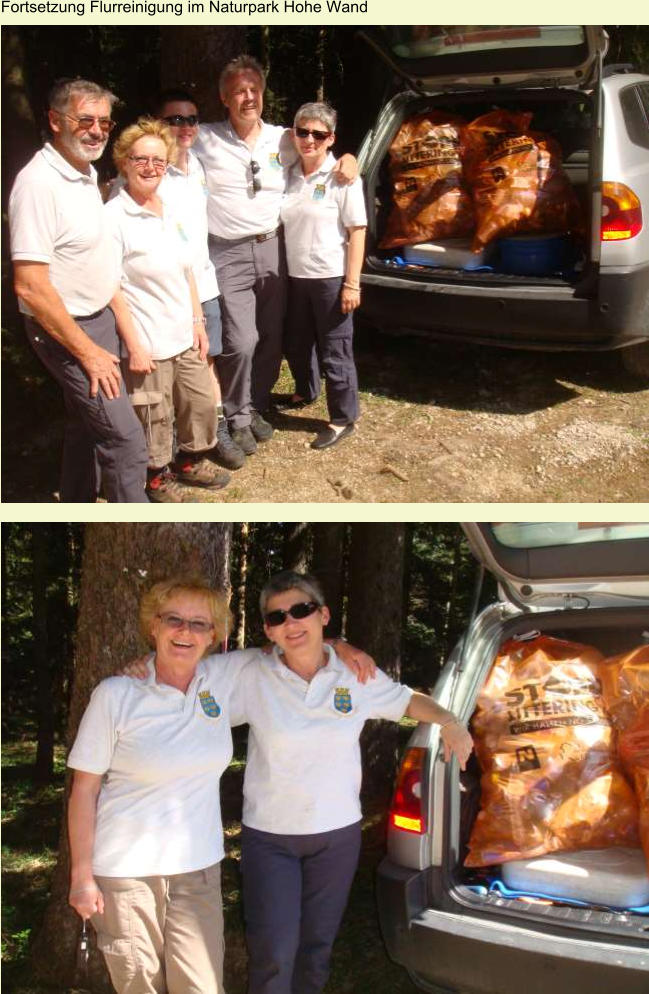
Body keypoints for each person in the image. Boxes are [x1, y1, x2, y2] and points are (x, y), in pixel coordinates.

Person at [67, 573, 373, 994]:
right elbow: (84, 789)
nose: (185, 632)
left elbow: (294, 643)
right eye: (173, 619)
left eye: (199, 623)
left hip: (199, 871)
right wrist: (82, 875)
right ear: (152, 626)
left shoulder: (225, 679)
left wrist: (340, 645)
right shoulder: (116, 694)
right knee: (141, 987)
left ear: (214, 636)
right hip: (126, 874)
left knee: (203, 987)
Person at [231, 571, 473, 994]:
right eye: (277, 617)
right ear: (268, 630)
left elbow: (405, 699)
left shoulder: (354, 675)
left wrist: (450, 720)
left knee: (317, 946)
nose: (291, 623)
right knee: (274, 949)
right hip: (270, 837)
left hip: (337, 837)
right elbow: (186, 668)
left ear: (323, 614)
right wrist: (141, 666)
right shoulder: (249, 673)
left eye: (301, 610)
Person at [194, 55, 357, 457]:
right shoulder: (204, 138)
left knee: (270, 335)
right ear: (224, 97)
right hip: (227, 250)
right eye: (239, 91)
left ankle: (255, 406)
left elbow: (323, 150)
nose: (248, 97)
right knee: (241, 339)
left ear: (263, 94)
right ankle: (235, 414)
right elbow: (162, 155)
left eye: (255, 89)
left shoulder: (284, 137)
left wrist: (352, 160)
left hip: (273, 248)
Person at [8, 78, 149, 502]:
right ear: (54, 121)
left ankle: (75, 501)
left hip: (98, 319)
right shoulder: (38, 185)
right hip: (67, 331)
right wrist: (87, 352)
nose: (97, 131)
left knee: (86, 425)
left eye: (105, 123)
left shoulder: (85, 171)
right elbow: (30, 287)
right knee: (126, 440)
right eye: (84, 120)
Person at [106, 117, 231, 502]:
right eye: (141, 159)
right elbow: (111, 289)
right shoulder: (113, 217)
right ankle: (156, 477)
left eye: (158, 162)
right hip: (149, 341)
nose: (150, 168)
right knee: (154, 417)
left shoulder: (171, 208)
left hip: (183, 333)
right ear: (124, 161)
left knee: (200, 403)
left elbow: (187, 268)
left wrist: (198, 321)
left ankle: (190, 461)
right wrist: (135, 346)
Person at [155, 88, 244, 470]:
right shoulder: (152, 170)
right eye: (175, 119)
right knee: (174, 367)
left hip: (204, 283)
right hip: (166, 290)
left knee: (208, 360)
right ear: (160, 125)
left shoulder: (200, 166)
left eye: (191, 118)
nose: (185, 126)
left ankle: (215, 430)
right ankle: (175, 440)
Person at [280, 102, 367, 450]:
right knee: (297, 344)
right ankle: (306, 390)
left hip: (330, 278)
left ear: (331, 139)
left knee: (335, 349)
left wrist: (352, 283)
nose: (309, 140)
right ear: (294, 133)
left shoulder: (342, 177)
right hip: (294, 277)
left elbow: (357, 230)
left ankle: (343, 418)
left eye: (319, 134)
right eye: (303, 132)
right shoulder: (286, 172)